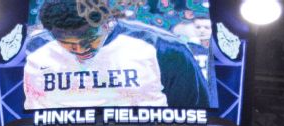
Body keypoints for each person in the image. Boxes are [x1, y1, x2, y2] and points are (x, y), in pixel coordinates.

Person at [23, 0, 211, 110]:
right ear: (51, 33)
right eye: (68, 44)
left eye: (90, 40)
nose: (81, 50)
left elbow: (197, 117)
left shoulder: (165, 49)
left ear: (107, 24)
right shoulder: (33, 52)